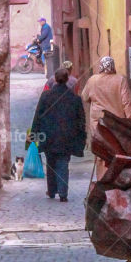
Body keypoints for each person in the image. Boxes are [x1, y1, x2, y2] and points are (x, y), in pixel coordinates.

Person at [28, 66, 86, 201]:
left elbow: (38, 115)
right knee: (63, 163)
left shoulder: (46, 96)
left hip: (48, 135)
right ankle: (63, 193)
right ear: (66, 80)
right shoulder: (74, 98)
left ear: (55, 79)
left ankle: (52, 190)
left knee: (50, 162)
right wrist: (81, 137)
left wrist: (34, 134)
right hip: (67, 136)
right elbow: (81, 120)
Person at [81, 55, 131, 144]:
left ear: (101, 66)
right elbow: (127, 103)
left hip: (98, 123)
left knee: (100, 149)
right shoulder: (120, 80)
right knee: (116, 147)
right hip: (116, 123)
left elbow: (84, 97)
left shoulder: (92, 80)